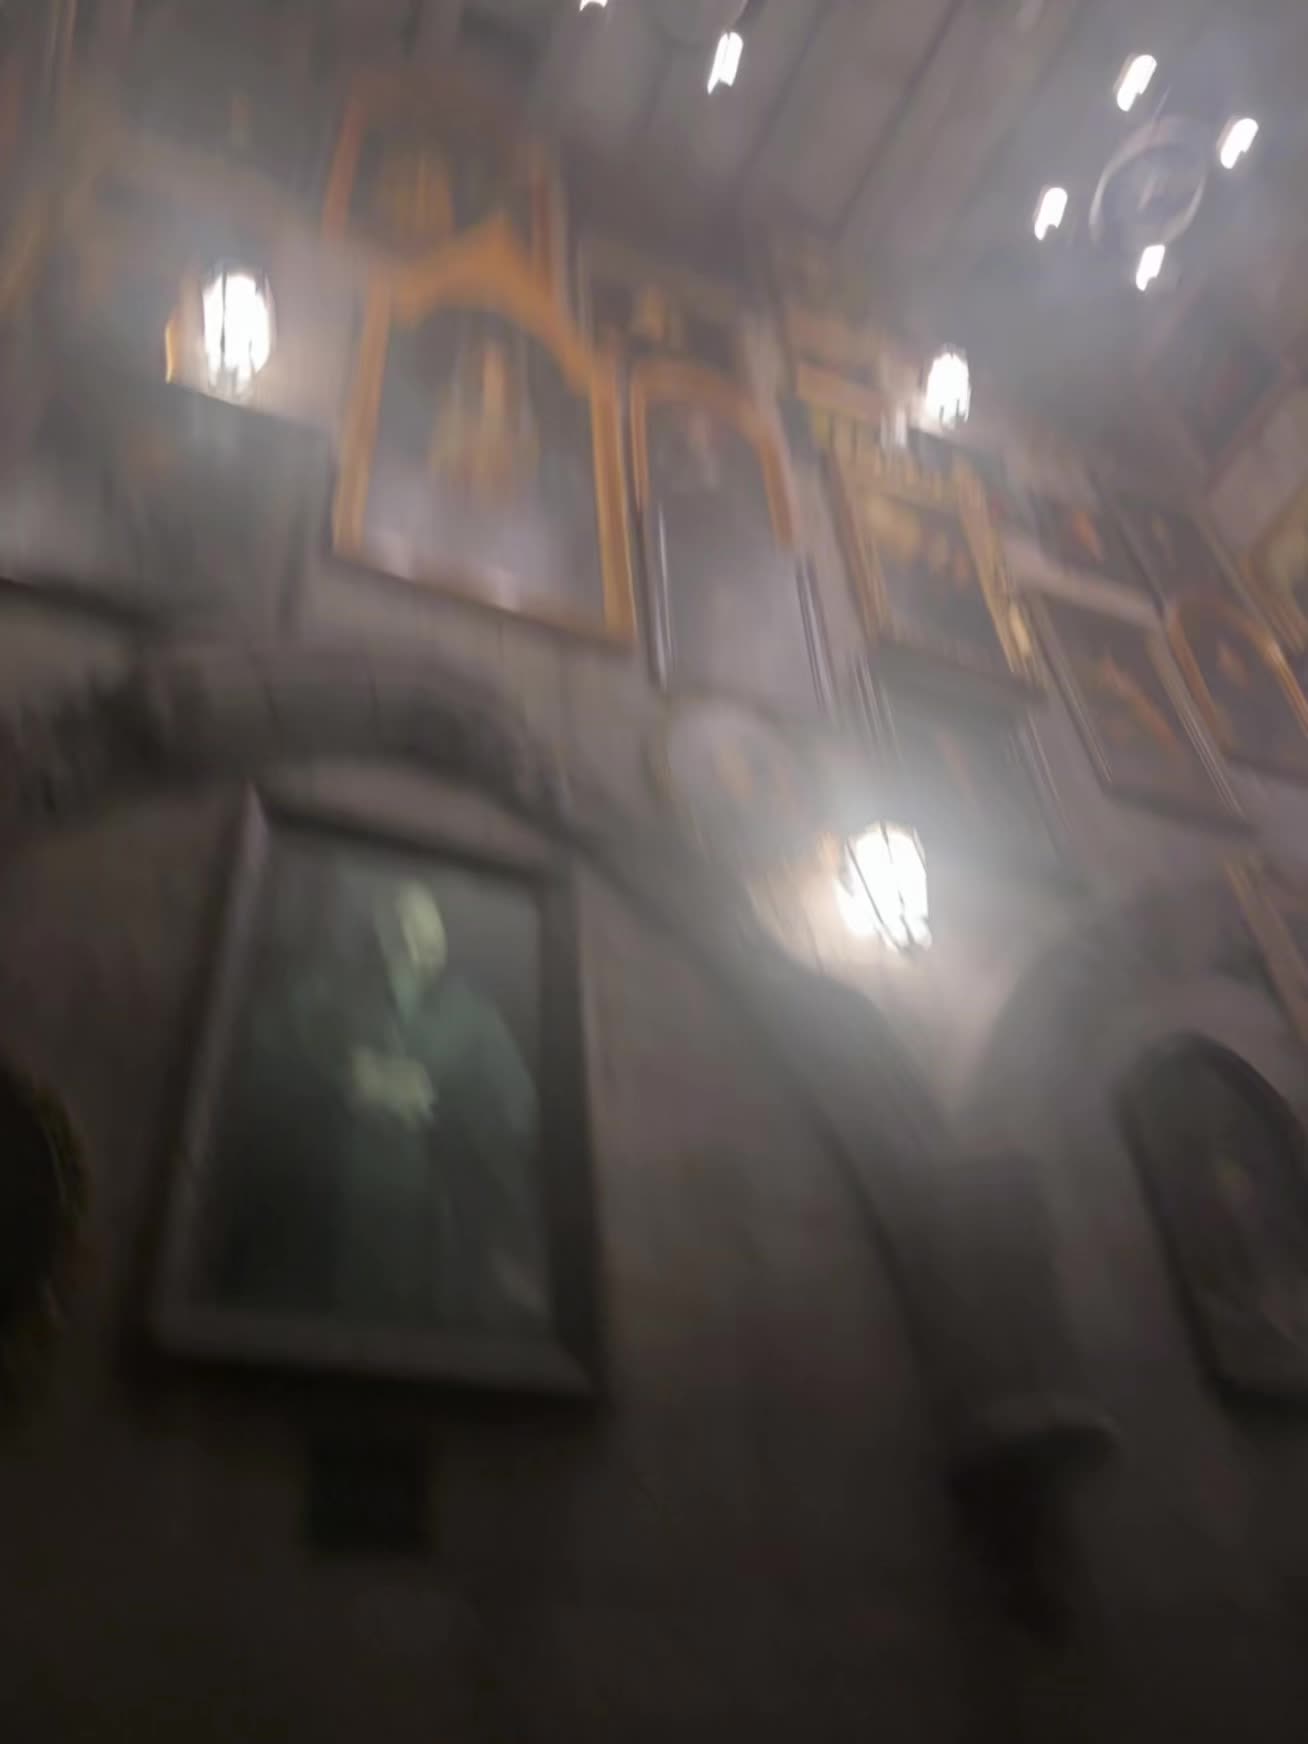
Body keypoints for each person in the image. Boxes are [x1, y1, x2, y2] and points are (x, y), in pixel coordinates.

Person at [216, 879, 547, 1333]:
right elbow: (246, 1066)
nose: (413, 946)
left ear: (444, 936)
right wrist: (343, 1082)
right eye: (398, 929)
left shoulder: (474, 1016)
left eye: (426, 934)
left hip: (424, 1227)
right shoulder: (319, 994)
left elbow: (518, 1109)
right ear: (376, 932)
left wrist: (431, 1099)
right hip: (315, 1220)